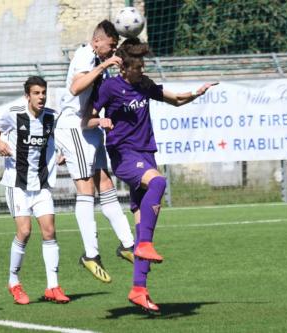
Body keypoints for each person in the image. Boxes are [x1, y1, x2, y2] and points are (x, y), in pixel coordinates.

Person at [90, 38, 218, 313]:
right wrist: (100, 120)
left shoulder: (144, 83)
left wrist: (197, 93)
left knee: (142, 228)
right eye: (137, 66)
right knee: (159, 182)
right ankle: (145, 245)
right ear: (124, 67)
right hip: (124, 156)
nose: (142, 70)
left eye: (143, 66)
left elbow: (176, 100)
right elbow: (86, 117)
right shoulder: (111, 86)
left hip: (146, 155)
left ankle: (139, 290)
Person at [55, 20, 135, 283]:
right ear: (97, 41)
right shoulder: (85, 55)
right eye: (110, 46)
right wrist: (102, 65)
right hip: (73, 128)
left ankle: (128, 244)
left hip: (89, 127)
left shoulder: (99, 60)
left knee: (105, 183)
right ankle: (91, 254)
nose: (111, 51)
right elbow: (75, 88)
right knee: (86, 186)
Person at [0, 76, 70, 305]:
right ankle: (14, 282)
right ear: (28, 96)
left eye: (43, 92)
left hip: (41, 184)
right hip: (17, 183)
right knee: (24, 231)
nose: (41, 97)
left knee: (49, 231)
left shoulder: (51, 117)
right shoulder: (14, 113)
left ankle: (53, 286)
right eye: (36, 93)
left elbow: (57, 140)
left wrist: (59, 155)